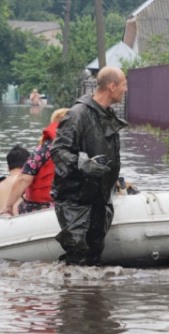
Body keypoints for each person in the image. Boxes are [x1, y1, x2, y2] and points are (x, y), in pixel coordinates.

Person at [50, 66, 128, 265]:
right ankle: (69, 295)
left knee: (94, 260)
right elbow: (58, 151)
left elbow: (109, 156)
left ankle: (91, 296)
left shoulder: (107, 116)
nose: (126, 90)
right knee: (77, 259)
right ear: (112, 86)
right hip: (75, 201)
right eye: (124, 85)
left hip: (100, 200)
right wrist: (82, 163)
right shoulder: (78, 114)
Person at [0, 108, 70, 216]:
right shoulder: (80, 149)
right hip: (68, 208)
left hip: (40, 208)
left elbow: (24, 178)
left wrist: (8, 206)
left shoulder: (44, 150)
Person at [0, 145, 30, 215]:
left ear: (8, 167)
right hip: (21, 222)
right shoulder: (26, 181)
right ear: (28, 165)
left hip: (4, 222)